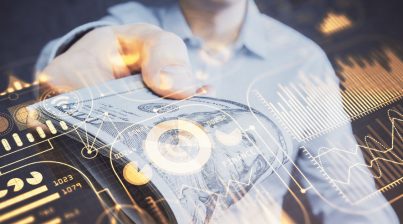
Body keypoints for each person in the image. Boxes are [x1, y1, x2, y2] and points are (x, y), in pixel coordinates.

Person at [35, 0, 398, 223]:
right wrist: (75, 61)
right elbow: (80, 55)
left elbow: (348, 196)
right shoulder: (123, 26)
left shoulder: (302, 60)